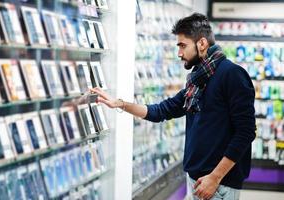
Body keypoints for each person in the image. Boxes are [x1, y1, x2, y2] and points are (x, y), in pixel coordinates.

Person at [90, 13, 256, 200]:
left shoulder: (232, 75)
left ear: (202, 44)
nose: (179, 53)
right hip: (197, 179)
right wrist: (120, 104)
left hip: (217, 183)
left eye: (183, 46)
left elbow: (246, 132)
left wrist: (214, 178)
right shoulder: (198, 80)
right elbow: (161, 111)